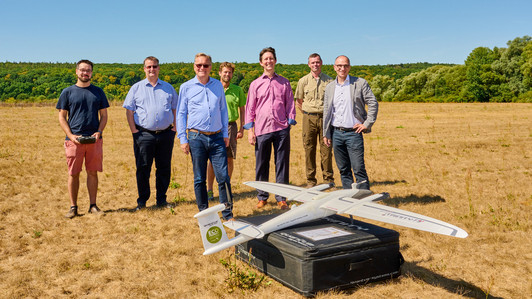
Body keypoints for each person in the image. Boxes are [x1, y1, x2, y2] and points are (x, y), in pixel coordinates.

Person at [177, 53, 233, 220]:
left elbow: (223, 110)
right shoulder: (186, 87)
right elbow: (181, 113)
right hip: (196, 137)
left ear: (210, 67)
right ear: (194, 66)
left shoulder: (217, 86)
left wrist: (225, 134)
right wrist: (183, 139)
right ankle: (205, 215)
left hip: (217, 138)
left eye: (205, 65)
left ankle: (228, 214)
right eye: (198, 65)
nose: (202, 68)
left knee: (223, 177)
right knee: (199, 178)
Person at [244, 47, 296, 210]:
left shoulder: (284, 82)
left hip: (281, 129)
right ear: (261, 63)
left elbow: (290, 103)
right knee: (262, 164)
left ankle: (281, 197)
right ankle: (262, 196)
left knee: (282, 163)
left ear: (275, 61)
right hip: (262, 129)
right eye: (265, 59)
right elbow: (250, 108)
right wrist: (250, 131)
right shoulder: (255, 84)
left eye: (271, 58)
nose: (268, 61)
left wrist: (289, 123)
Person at [123, 56, 178, 211]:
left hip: (166, 134)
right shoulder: (136, 88)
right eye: (149, 67)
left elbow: (176, 108)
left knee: (164, 168)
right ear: (144, 69)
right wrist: (134, 131)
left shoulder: (168, 88)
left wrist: (175, 128)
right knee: (143, 168)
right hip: (143, 134)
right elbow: (129, 111)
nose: (152, 69)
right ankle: (142, 201)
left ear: (159, 68)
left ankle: (161, 199)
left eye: (154, 66)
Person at [57, 59, 109, 218]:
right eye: (82, 70)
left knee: (93, 172)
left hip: (94, 139)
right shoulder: (67, 92)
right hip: (74, 140)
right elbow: (62, 117)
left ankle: (93, 206)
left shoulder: (98, 92)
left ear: (92, 73)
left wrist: (99, 132)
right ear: (76, 71)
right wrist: (71, 136)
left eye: (88, 71)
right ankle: (73, 207)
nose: (85, 73)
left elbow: (104, 115)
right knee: (73, 174)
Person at [323, 55, 378, 190]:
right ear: (334, 67)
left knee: (358, 168)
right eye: (339, 66)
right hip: (336, 133)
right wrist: (326, 133)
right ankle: (349, 199)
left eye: (345, 65)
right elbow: (327, 112)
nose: (342, 68)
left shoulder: (359, 83)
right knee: (343, 170)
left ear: (349, 67)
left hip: (354, 133)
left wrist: (366, 123)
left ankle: (364, 200)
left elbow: (373, 103)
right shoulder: (330, 87)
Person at [206, 62, 246, 201]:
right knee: (213, 159)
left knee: (229, 158)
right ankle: (209, 189)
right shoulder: (213, 88)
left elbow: (242, 110)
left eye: (229, 72)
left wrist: (242, 128)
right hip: (215, 127)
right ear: (219, 73)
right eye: (225, 72)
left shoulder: (237, 90)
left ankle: (225, 188)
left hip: (231, 126)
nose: (227, 74)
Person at [295, 53, 334, 187]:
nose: (315, 65)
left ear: (321, 63)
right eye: (313, 62)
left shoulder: (329, 81)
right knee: (309, 149)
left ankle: (328, 179)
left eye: (317, 62)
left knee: (326, 149)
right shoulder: (303, 81)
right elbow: (299, 101)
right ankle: (311, 180)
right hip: (308, 118)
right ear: (309, 64)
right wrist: (307, 112)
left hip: (325, 118)